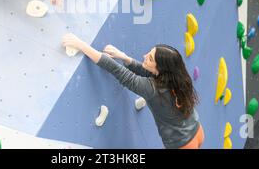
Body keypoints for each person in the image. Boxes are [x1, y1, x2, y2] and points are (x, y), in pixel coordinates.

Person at [62, 34, 205, 149]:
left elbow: (118, 71)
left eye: (149, 58)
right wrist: (124, 57)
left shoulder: (152, 89)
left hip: (183, 145)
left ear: (160, 70)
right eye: (149, 52)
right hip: (197, 130)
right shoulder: (178, 77)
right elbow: (149, 72)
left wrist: (81, 45)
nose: (144, 56)